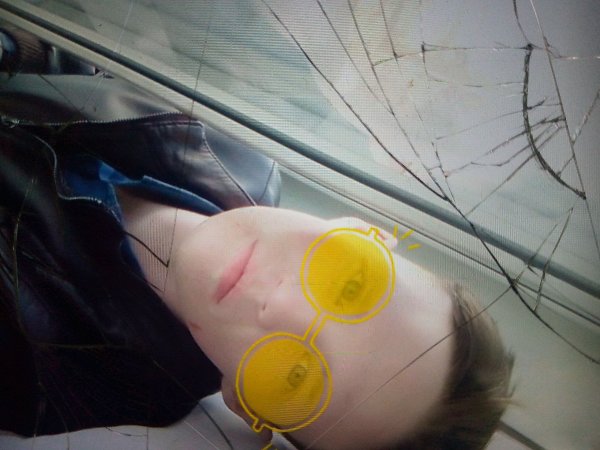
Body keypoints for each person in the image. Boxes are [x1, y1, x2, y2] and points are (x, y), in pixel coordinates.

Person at [0, 27, 514, 450]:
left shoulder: (58, 385)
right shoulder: (234, 135)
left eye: (294, 377)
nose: (282, 306)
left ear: (244, 404)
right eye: (353, 285)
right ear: (362, 229)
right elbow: (76, 61)